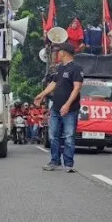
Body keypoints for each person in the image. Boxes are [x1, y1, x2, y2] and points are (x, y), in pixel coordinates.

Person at [34, 42, 84, 172]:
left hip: (70, 110)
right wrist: (41, 95)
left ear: (64, 52)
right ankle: (54, 161)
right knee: (53, 136)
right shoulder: (60, 68)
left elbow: (77, 88)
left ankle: (68, 164)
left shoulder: (77, 68)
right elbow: (53, 83)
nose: (57, 54)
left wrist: (67, 105)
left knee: (68, 137)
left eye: (59, 51)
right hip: (56, 108)